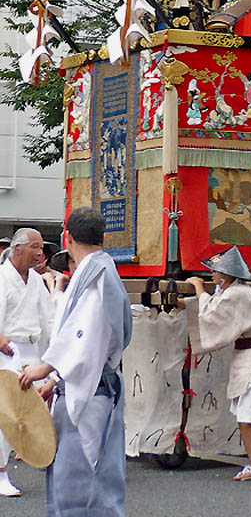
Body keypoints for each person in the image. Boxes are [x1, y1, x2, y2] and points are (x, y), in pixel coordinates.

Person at [19, 207, 132, 517]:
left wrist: (46, 368)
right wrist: (55, 379)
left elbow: (86, 335)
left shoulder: (97, 275)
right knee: (74, 474)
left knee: (83, 479)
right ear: (103, 238)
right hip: (82, 381)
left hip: (89, 389)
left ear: (66, 236)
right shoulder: (96, 271)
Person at [180, 245, 251, 481]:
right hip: (246, 353)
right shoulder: (231, 292)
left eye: (215, 271)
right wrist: (192, 300)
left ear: (226, 273)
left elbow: (211, 313)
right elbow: (212, 308)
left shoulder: (238, 293)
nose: (212, 274)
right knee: (243, 411)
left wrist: (199, 288)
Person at [0, 227, 54, 497]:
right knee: (7, 414)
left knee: (39, 408)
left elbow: (48, 320)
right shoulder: (1, 278)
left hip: (34, 351)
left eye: (41, 247)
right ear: (18, 249)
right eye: (34, 246)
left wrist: (51, 358)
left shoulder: (36, 280)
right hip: (8, 353)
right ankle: (1, 472)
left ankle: (45, 454)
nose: (39, 253)